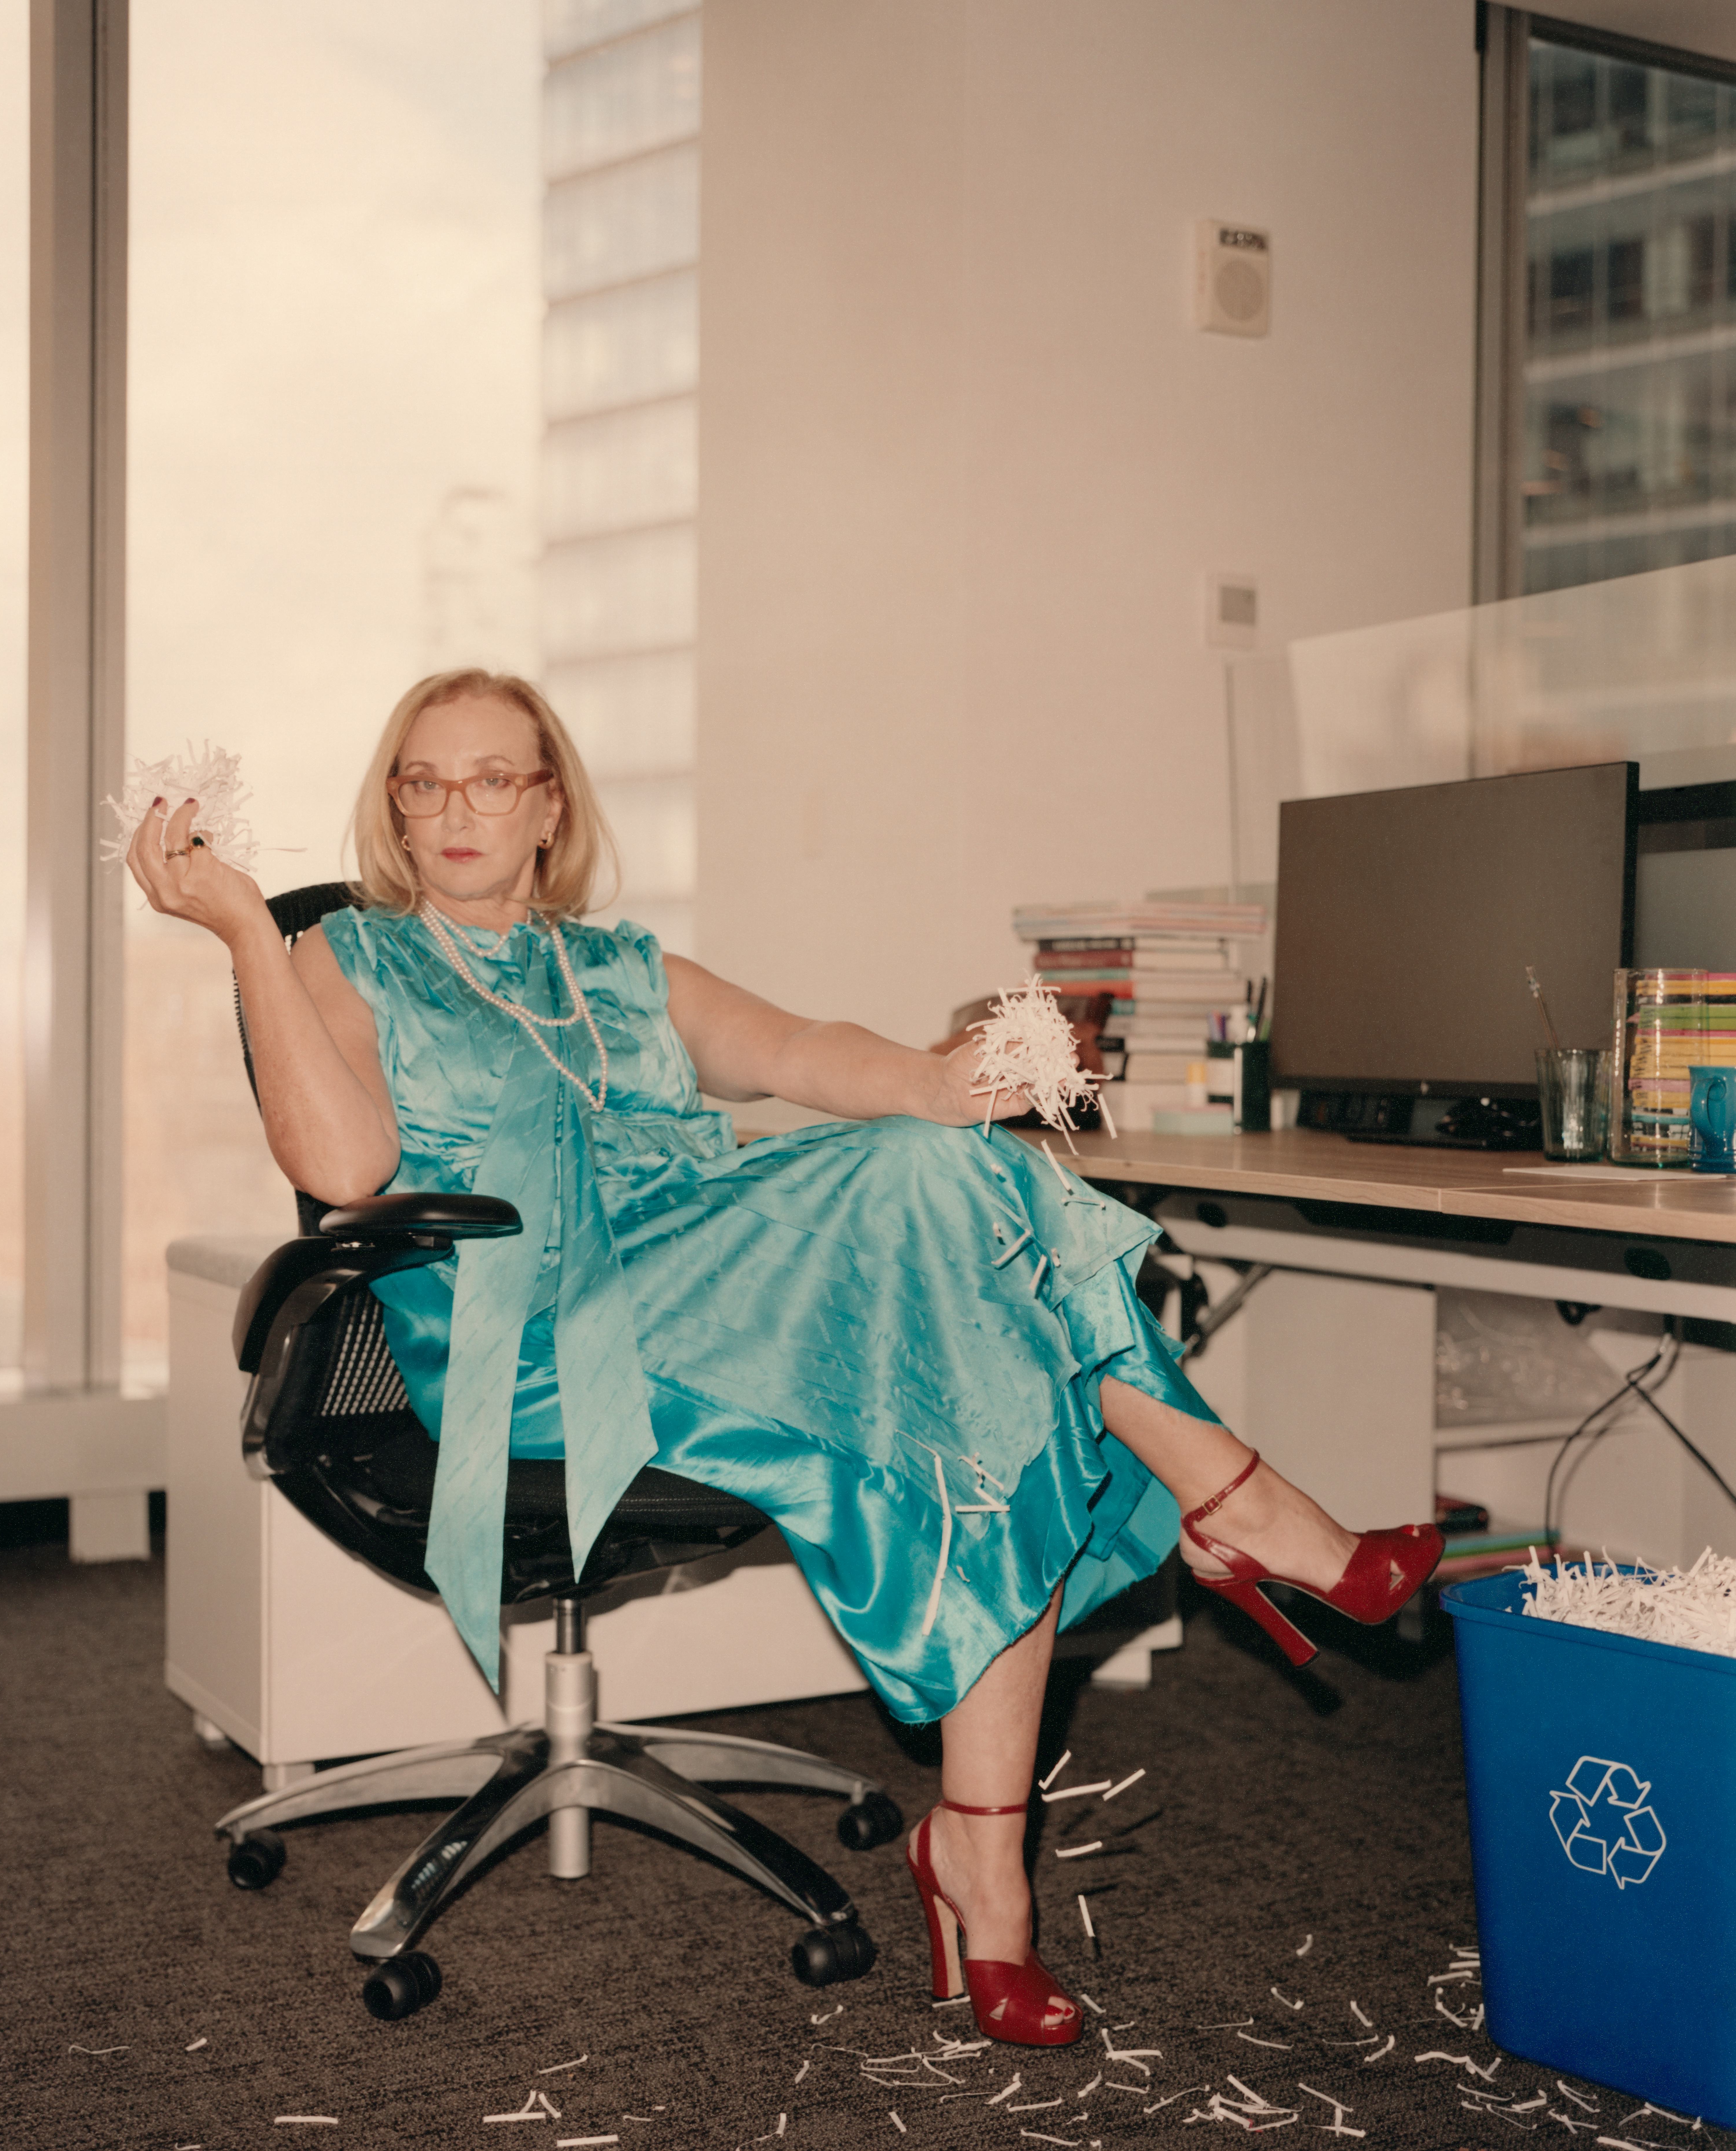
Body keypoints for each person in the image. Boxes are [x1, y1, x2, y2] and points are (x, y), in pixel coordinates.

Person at [128, 667, 1441, 2049]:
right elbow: (343, 1166)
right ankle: (1236, 1507)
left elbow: (799, 1050)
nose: (456, 807)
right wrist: (240, 937)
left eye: (492, 776)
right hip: (532, 1335)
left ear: (547, 802)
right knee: (924, 1199)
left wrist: (943, 1079)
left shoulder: (625, 969)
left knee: (961, 1300)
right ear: (393, 808)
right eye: (424, 779)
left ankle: (982, 1868)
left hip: (704, 1293)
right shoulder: (345, 958)